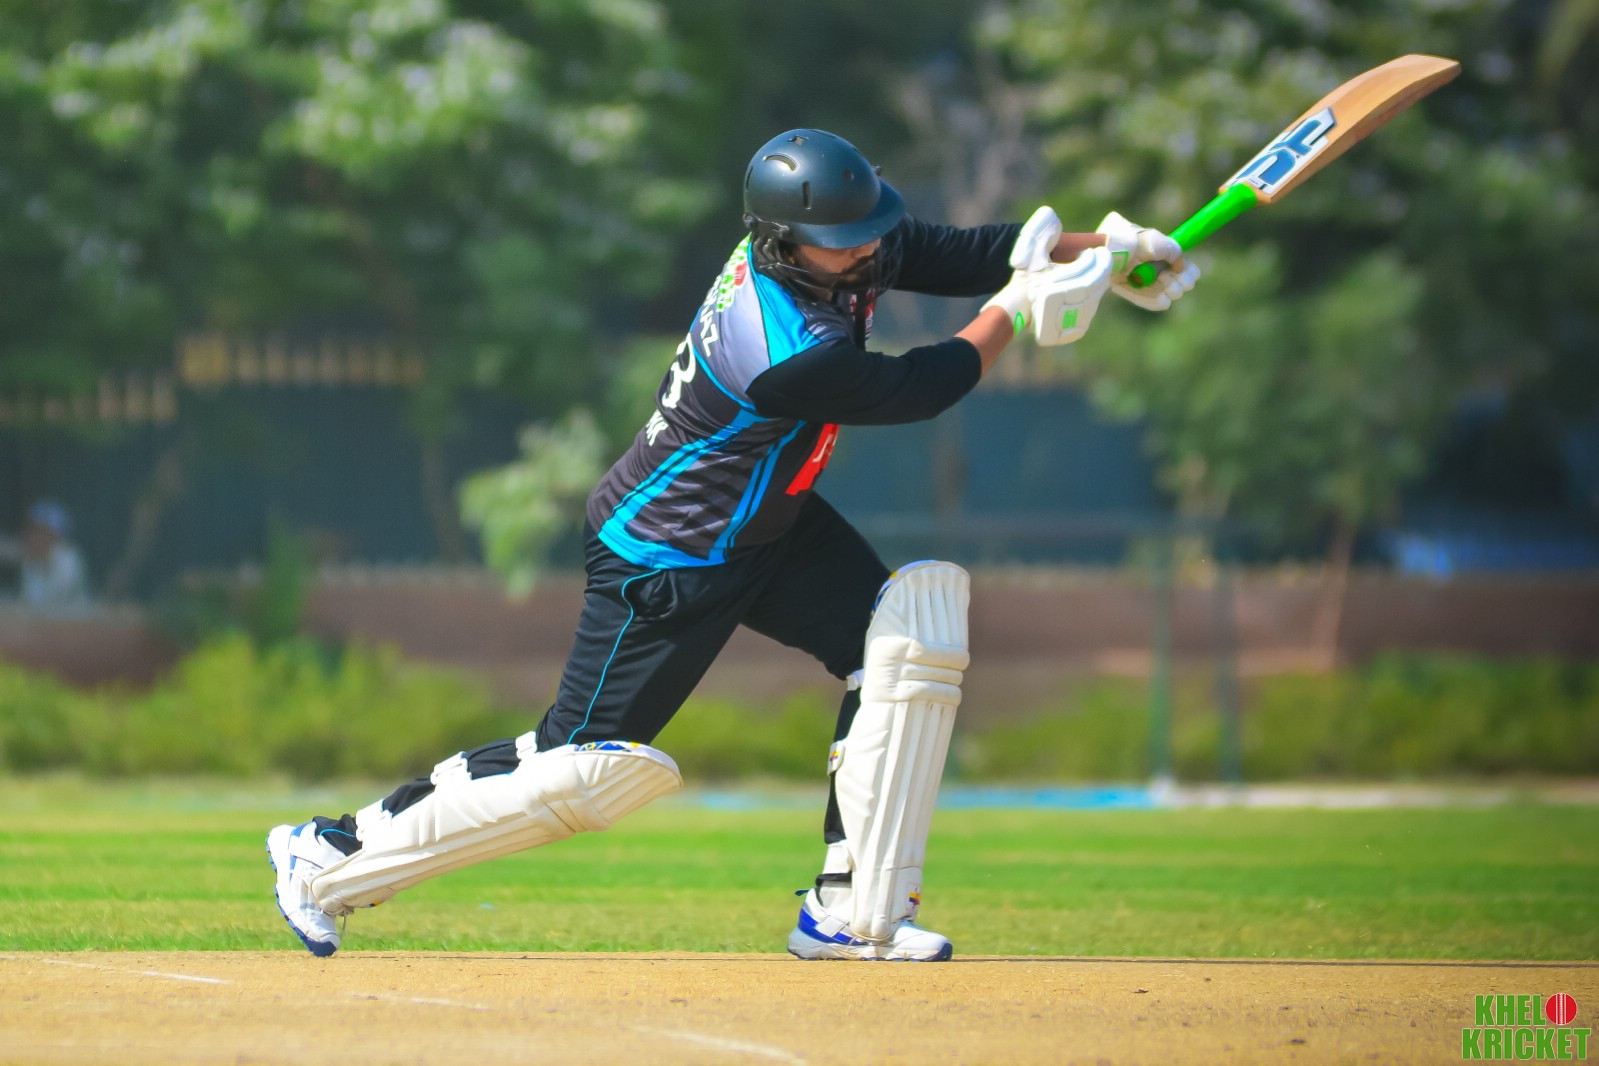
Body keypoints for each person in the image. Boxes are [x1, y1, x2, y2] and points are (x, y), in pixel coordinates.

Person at [267, 128, 1199, 961]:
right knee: (580, 766)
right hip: (668, 554)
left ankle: (852, 912)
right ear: (783, 240)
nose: (867, 249)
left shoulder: (832, 245)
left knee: (909, 637)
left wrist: (1105, 251)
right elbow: (920, 388)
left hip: (770, 522)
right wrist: (1020, 309)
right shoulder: (783, 347)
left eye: (868, 228)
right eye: (844, 239)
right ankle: (329, 852)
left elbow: (952, 251)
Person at [0, 501, 92, 610]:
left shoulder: (68, 560)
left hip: (72, 618)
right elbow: (8, 549)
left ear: (54, 535)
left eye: (39, 531)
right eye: (30, 530)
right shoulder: (29, 555)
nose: (31, 536)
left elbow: (53, 605)